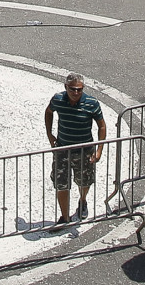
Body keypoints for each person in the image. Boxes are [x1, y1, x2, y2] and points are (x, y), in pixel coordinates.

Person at [44, 72, 107, 226]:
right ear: (66, 87)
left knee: (84, 182)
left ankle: (83, 200)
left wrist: (99, 151)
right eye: (72, 89)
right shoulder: (58, 99)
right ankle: (65, 218)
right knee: (61, 184)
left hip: (84, 151)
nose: (76, 93)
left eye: (79, 89)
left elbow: (102, 125)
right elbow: (49, 112)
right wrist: (49, 134)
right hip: (62, 150)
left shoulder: (92, 103)